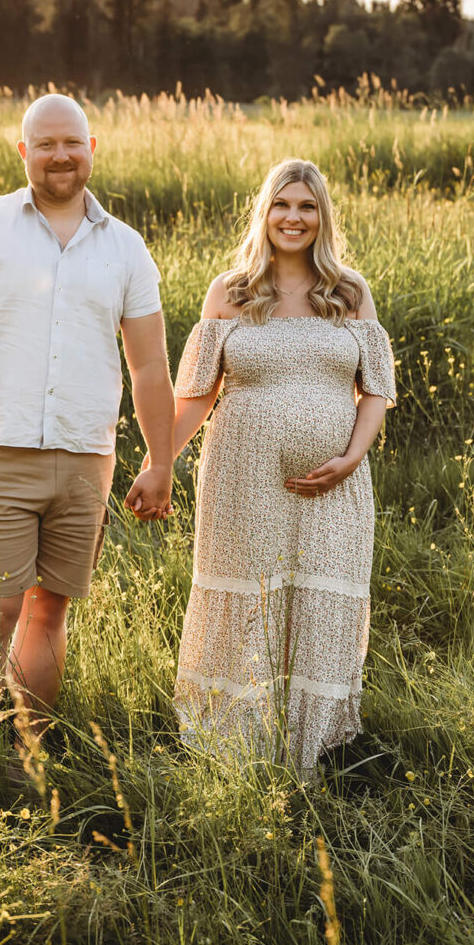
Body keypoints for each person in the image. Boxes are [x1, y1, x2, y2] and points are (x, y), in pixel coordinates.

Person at [0, 93, 174, 773]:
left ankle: (27, 759)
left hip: (85, 460)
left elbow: (149, 364)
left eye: (74, 142)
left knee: (48, 614)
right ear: (23, 152)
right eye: (47, 142)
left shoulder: (124, 247)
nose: (62, 153)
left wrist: (160, 457)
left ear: (92, 150)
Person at [168, 158, 395, 778]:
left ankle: (317, 747)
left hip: (335, 486)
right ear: (263, 213)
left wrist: (352, 456)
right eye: (282, 205)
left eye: (307, 207)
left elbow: (374, 387)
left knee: (320, 598)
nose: (293, 218)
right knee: (249, 600)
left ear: (323, 217)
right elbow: (194, 396)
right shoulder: (232, 291)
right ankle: (236, 745)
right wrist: (158, 462)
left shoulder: (349, 292)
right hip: (242, 478)